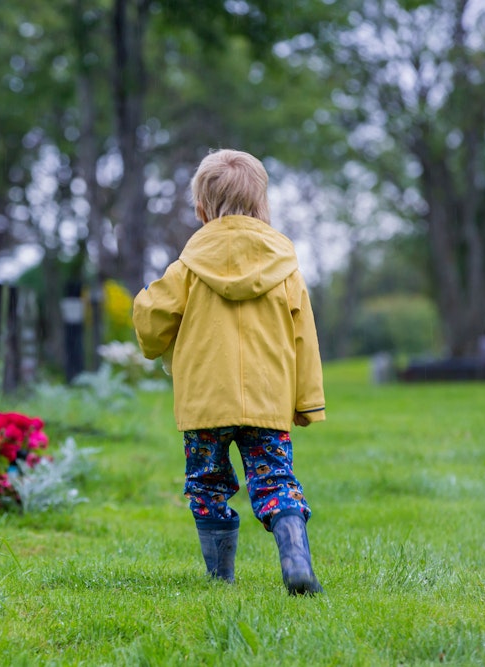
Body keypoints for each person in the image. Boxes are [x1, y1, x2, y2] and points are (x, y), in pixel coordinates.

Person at [132, 149, 326, 595]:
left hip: (205, 403)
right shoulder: (285, 268)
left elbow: (152, 323)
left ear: (201, 209)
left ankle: (220, 578)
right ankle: (295, 556)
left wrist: (146, 311)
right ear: (262, 205)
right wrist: (306, 402)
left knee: (207, 484)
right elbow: (304, 338)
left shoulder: (187, 269)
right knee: (276, 479)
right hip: (267, 398)